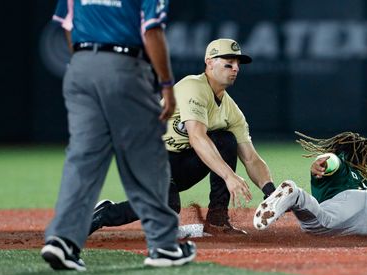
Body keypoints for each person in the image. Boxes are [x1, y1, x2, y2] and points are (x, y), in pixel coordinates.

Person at [41, 0, 196, 271]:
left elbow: (67, 26)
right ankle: (164, 245)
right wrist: (167, 85)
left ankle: (63, 239)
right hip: (124, 67)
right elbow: (152, 31)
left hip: (80, 66)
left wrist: (86, 63)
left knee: (82, 159)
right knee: (147, 158)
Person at [90, 38, 275, 236]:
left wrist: (272, 193)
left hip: (177, 165)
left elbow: (251, 158)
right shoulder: (192, 86)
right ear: (209, 62)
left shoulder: (232, 111)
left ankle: (217, 220)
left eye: (238, 64)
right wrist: (229, 176)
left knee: (225, 139)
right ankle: (104, 214)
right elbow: (196, 137)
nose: (235, 68)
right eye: (228, 62)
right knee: (168, 206)